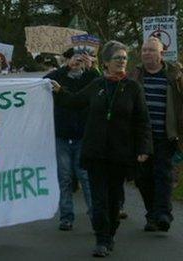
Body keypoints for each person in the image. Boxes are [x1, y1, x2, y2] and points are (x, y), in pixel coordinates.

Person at [52, 40, 152, 257]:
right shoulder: (97, 85)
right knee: (99, 198)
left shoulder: (133, 88)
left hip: (120, 152)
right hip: (96, 152)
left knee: (114, 197)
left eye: (125, 58)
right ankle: (102, 238)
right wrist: (59, 90)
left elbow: (142, 121)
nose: (122, 62)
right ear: (106, 62)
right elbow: (74, 101)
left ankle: (111, 232)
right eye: (117, 58)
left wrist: (144, 148)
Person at [129, 37, 183, 232]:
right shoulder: (135, 75)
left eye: (151, 50)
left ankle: (163, 214)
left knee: (163, 175)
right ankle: (152, 214)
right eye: (144, 50)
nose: (146, 53)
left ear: (162, 53)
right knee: (143, 177)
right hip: (141, 137)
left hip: (165, 135)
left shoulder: (174, 75)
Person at [44, 48, 100, 231]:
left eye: (81, 60)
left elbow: (101, 83)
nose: (78, 64)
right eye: (75, 60)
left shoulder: (89, 79)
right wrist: (65, 68)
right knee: (64, 177)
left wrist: (91, 68)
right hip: (62, 135)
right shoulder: (59, 77)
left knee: (86, 178)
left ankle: (95, 215)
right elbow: (45, 81)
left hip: (83, 135)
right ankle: (66, 216)